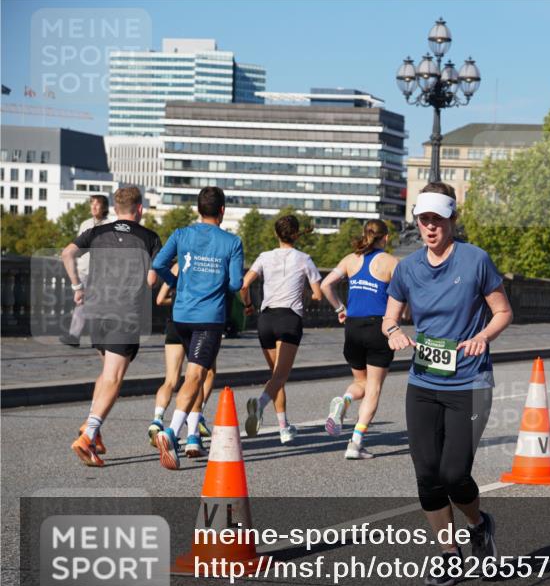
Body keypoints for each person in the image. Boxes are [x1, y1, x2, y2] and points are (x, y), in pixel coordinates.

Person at [383, 182, 513, 586]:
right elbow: (390, 318)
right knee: (427, 474)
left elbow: (503, 311)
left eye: (438, 220)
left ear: (453, 220)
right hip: (423, 381)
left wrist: (483, 337)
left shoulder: (476, 261)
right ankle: (449, 555)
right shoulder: (407, 268)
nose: (430, 228)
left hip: (470, 381)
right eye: (424, 220)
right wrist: (392, 333)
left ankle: (478, 525)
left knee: (455, 473)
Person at [61, 187, 161, 466]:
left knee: (106, 373)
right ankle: (88, 434)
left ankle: (93, 430)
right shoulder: (149, 238)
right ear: (139, 209)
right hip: (124, 313)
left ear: (116, 208)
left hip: (96, 311)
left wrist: (76, 286)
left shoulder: (97, 232)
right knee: (114, 378)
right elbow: (152, 281)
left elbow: (67, 254)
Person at [151, 187, 244, 470]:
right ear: (222, 210)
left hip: (181, 316)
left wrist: (178, 282)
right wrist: (216, 288)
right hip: (209, 318)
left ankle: (193, 437)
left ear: (198, 209)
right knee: (196, 376)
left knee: (194, 375)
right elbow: (236, 284)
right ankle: (172, 432)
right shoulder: (232, 242)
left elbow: (158, 264)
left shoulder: (181, 234)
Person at [320, 219, 398, 459]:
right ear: (385, 238)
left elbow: (326, 285)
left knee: (361, 384)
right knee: (373, 388)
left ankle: (344, 400)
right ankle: (355, 443)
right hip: (378, 327)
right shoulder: (390, 262)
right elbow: (405, 294)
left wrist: (339, 308)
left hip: (352, 327)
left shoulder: (350, 259)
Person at [242, 214, 322, 444]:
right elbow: (317, 294)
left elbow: (244, 284)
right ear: (296, 234)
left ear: (277, 234)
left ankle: (284, 427)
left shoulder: (264, 257)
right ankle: (259, 406)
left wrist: (248, 305)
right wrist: (305, 294)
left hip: (266, 319)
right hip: (289, 318)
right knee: (280, 376)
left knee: (276, 378)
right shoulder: (304, 259)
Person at [146, 263, 215, 453]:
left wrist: (177, 298)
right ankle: (194, 429)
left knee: (170, 379)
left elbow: (160, 299)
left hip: (174, 323)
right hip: (198, 323)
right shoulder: (206, 263)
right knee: (199, 376)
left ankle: (157, 419)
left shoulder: (176, 267)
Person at [61, 195, 114, 347]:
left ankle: (86, 336)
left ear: (104, 208)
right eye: (92, 205)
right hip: (83, 270)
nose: (94, 207)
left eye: (97, 205)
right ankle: (79, 336)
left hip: (100, 273)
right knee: (82, 302)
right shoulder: (85, 224)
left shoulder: (109, 225)